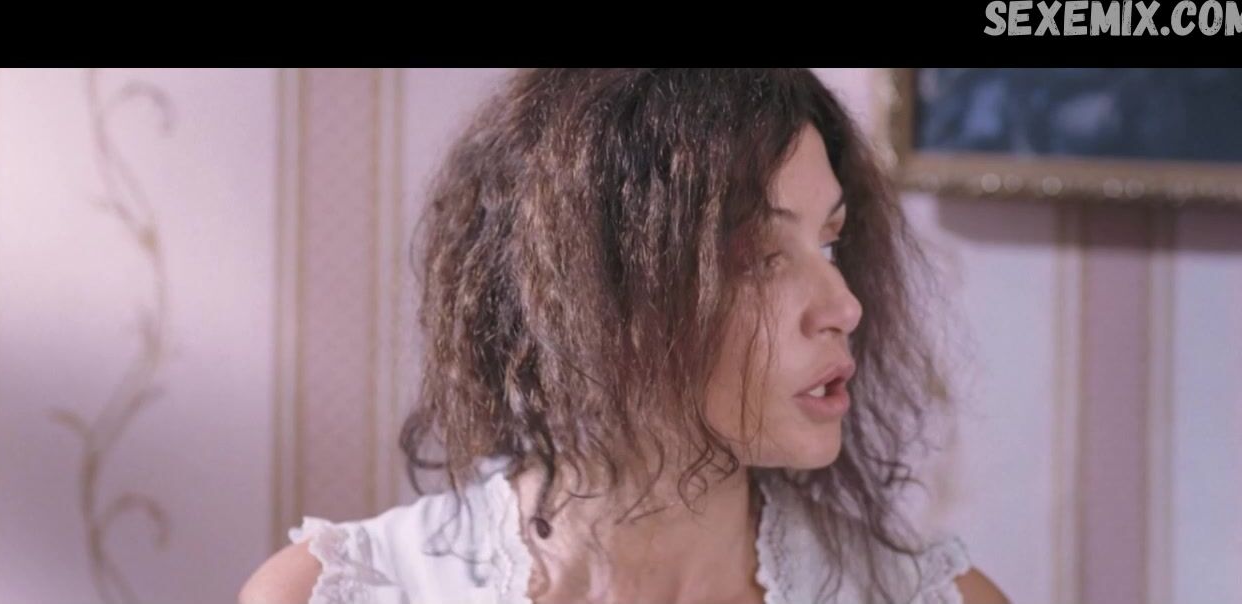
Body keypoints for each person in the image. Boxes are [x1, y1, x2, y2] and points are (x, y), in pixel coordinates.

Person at [240, 68, 1011, 604]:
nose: (843, 307)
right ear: (589, 290)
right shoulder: (335, 593)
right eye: (757, 257)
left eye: (830, 245)